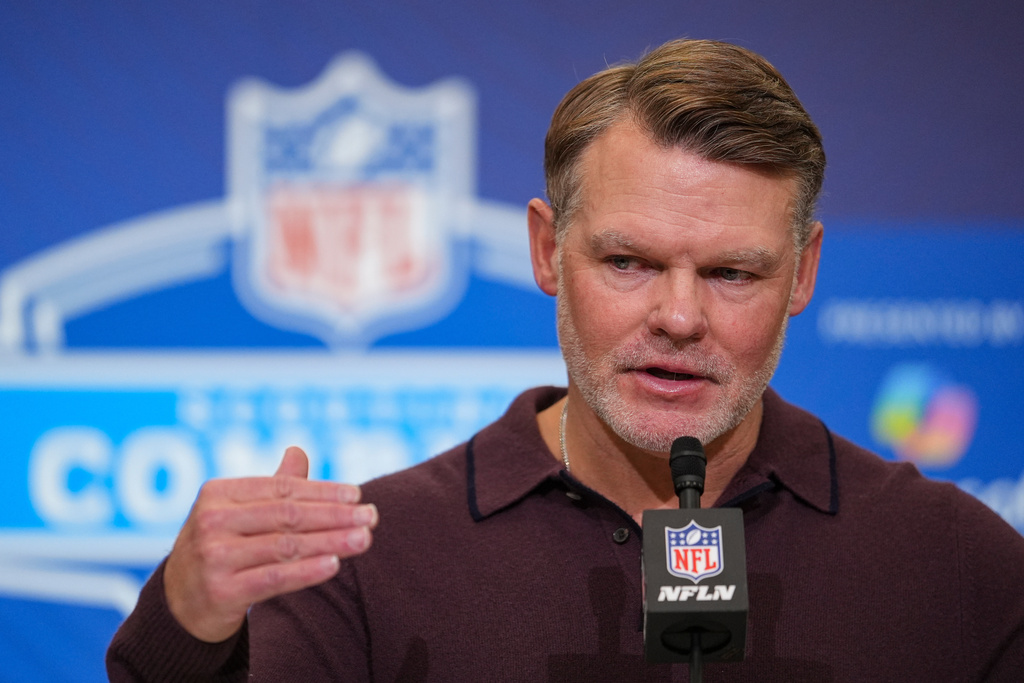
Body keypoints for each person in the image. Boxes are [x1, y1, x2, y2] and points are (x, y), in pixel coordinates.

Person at [107, 39, 1024, 682]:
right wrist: (186, 628)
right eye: (627, 262)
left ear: (804, 274)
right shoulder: (366, 564)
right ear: (548, 252)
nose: (677, 315)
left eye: (733, 272)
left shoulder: (959, 565)